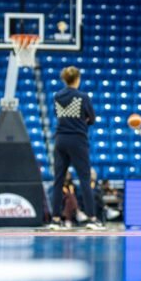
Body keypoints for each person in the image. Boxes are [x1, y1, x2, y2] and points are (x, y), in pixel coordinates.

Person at [49, 66, 104, 230]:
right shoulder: (82, 96)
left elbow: (58, 115)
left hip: (60, 139)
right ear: (77, 79)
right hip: (77, 140)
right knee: (84, 179)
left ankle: (55, 219)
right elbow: (92, 118)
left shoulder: (57, 96)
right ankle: (92, 218)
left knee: (58, 180)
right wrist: (81, 121)